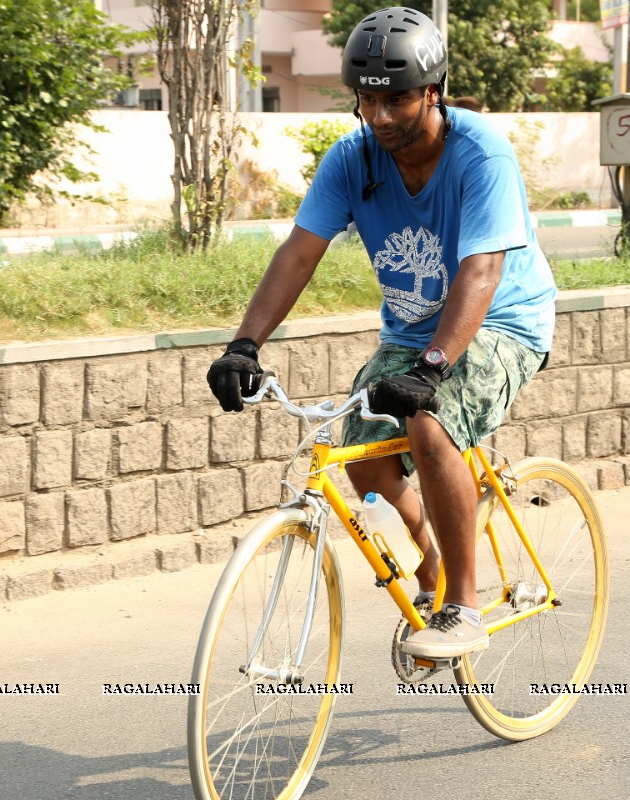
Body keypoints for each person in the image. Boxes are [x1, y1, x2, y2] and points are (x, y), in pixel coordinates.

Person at [207, 7, 557, 660]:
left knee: (429, 421)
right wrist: (243, 344)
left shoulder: (479, 155)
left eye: (397, 98)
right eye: (369, 99)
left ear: (432, 92)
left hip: (501, 321)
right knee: (361, 449)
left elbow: (481, 272)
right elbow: (299, 252)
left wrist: (433, 368)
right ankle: (431, 557)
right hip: (413, 330)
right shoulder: (352, 160)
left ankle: (462, 608)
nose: (382, 115)